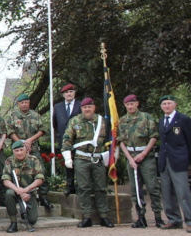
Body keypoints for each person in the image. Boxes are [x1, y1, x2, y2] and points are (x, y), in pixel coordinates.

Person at [61, 97, 114, 228]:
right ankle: (86, 217)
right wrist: (68, 157)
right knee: (83, 188)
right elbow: (67, 139)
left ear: (94, 107)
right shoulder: (75, 121)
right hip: (81, 159)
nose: (87, 109)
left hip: (98, 158)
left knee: (101, 188)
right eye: (85, 107)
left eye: (89, 107)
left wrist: (113, 156)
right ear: (82, 109)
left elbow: (111, 139)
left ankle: (104, 216)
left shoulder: (102, 121)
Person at [117, 94, 164, 228]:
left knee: (152, 187)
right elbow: (120, 142)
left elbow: (154, 136)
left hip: (146, 156)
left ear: (137, 104)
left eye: (132, 104)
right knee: (135, 189)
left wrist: (143, 154)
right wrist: (130, 158)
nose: (130, 106)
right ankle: (141, 217)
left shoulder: (146, 117)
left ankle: (158, 218)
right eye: (127, 104)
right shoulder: (122, 121)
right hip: (131, 157)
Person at [157, 95, 191, 232]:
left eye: (169, 103)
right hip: (165, 160)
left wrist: (186, 158)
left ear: (175, 105)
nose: (166, 106)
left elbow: (190, 141)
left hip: (178, 160)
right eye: (164, 104)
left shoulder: (183, 119)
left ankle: (190, 221)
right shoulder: (162, 120)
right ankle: (174, 219)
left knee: (183, 192)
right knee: (167, 192)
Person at [7, 94, 53, 209]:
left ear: (29, 103)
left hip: (33, 148)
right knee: (15, 172)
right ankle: (17, 195)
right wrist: (21, 144)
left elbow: (42, 130)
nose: (24, 104)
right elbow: (10, 131)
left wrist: (30, 140)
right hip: (18, 149)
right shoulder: (13, 116)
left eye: (26, 102)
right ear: (18, 104)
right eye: (21, 103)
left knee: (40, 170)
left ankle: (44, 198)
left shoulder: (35, 115)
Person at [2, 140, 45, 233]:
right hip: (15, 191)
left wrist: (26, 190)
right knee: (9, 193)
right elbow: (5, 180)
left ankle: (24, 211)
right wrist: (18, 190)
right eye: (16, 151)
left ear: (26, 150)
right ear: (13, 151)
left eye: (21, 150)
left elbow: (40, 179)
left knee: (32, 220)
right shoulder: (9, 161)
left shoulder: (33, 160)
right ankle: (13, 222)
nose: (19, 153)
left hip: (29, 192)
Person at [53, 83, 81, 196]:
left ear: (74, 93)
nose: (69, 94)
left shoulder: (80, 105)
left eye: (71, 92)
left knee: (79, 163)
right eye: (66, 92)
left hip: (78, 140)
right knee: (68, 163)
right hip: (64, 140)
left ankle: (80, 186)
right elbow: (55, 123)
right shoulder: (58, 107)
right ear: (63, 94)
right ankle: (70, 186)